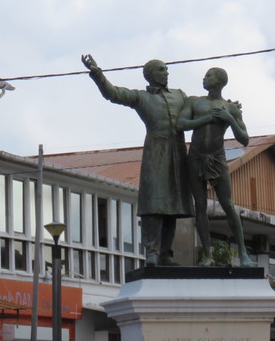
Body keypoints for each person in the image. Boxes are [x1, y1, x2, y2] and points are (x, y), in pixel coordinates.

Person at [82, 54, 192, 265]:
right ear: (149, 75)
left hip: (178, 154)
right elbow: (113, 94)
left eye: (166, 69)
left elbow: (198, 110)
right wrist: (97, 73)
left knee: (173, 206)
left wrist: (225, 107)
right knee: (154, 204)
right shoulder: (142, 97)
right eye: (161, 69)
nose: (166, 72)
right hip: (155, 152)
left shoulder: (180, 95)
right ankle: (152, 251)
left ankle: (166, 253)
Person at [176, 66, 255, 267]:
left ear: (220, 81)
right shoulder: (194, 101)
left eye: (209, 75)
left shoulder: (230, 108)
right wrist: (206, 119)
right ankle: (208, 255)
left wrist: (230, 119)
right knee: (200, 205)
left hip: (217, 158)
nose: (204, 78)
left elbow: (244, 139)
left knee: (227, 204)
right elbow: (181, 124)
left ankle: (243, 253)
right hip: (195, 157)